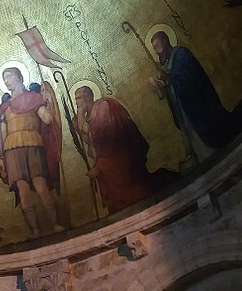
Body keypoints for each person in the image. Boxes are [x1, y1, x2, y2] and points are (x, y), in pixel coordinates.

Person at [149, 31, 242, 166]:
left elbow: (192, 80)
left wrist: (169, 78)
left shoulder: (182, 54)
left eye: (157, 46)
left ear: (165, 41)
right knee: (205, 155)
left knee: (219, 141)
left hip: (201, 110)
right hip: (189, 117)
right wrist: (163, 89)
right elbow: (175, 91)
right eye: (154, 48)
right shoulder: (168, 65)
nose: (157, 52)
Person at [73, 86, 178, 214]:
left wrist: (99, 167)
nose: (76, 102)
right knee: (117, 204)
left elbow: (111, 141)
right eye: (75, 99)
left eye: (78, 98)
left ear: (87, 97)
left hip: (121, 158)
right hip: (109, 160)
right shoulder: (92, 117)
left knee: (134, 193)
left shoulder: (103, 107)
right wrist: (79, 130)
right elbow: (94, 143)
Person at [0, 67, 64, 237]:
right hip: (12, 149)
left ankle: (56, 224)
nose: (6, 81)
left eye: (9, 76)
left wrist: (49, 101)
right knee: (23, 191)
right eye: (4, 78)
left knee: (41, 186)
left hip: (33, 144)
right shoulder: (5, 107)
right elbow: (2, 134)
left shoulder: (34, 98)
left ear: (19, 77)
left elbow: (47, 119)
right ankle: (34, 230)